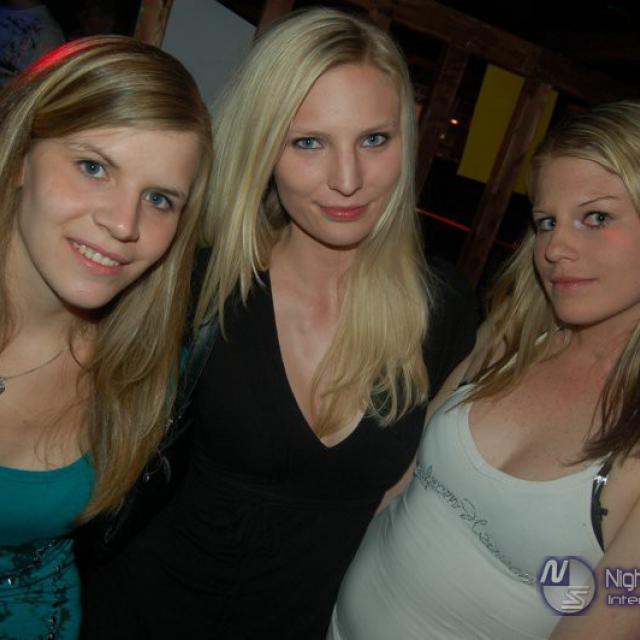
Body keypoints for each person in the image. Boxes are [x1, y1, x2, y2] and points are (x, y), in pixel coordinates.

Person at [81, 8, 477, 639]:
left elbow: (411, 501)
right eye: (308, 143)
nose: (347, 180)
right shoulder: (197, 285)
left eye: (374, 140)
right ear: (264, 148)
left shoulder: (444, 308)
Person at [329, 99, 640, 640]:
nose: (556, 247)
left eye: (596, 217)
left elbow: (613, 615)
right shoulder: (513, 334)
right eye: (546, 222)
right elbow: (402, 479)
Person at [0, 35, 212, 639]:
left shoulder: (148, 376)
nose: (123, 223)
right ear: (23, 156)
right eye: (94, 168)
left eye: (159, 199)